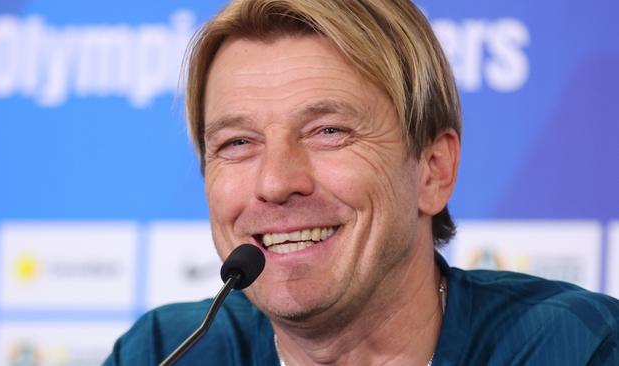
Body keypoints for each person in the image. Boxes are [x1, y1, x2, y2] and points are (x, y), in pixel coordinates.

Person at [104, 0, 619, 365]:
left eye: (329, 131)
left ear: (433, 170)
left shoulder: (576, 347)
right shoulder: (166, 352)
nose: (277, 181)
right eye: (237, 143)